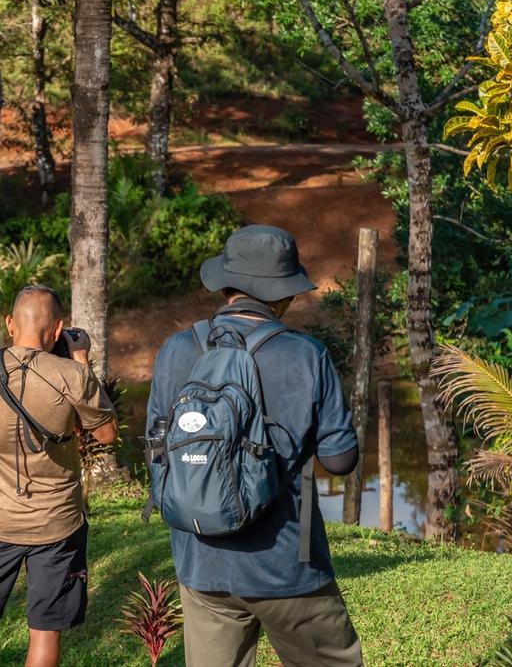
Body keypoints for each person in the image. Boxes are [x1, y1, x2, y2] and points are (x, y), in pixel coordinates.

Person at [147, 224, 363, 667]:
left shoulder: (175, 350)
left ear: (226, 284)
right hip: (286, 565)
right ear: (283, 295)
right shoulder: (306, 355)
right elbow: (340, 460)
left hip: (201, 562)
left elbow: (155, 448)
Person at [0, 285, 117, 667]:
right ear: (58, 329)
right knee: (45, 630)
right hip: (56, 524)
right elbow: (106, 434)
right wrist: (80, 358)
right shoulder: (72, 376)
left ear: (10, 324)